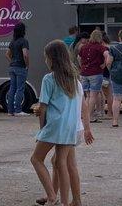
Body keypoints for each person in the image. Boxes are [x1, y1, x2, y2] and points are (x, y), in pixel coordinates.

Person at [31, 40, 94, 206]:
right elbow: (82, 106)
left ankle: (52, 196)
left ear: (52, 59)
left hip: (55, 126)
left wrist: (41, 130)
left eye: (46, 57)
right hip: (71, 127)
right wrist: (87, 127)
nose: (45, 60)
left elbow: (43, 107)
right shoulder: (75, 81)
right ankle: (67, 202)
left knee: (37, 159)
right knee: (62, 164)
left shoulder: (49, 79)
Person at [78, 30, 106, 123]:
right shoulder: (101, 47)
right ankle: (89, 116)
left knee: (87, 96)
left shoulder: (83, 47)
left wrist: (81, 66)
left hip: (84, 73)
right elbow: (107, 55)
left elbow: (79, 58)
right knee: (93, 96)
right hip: (96, 73)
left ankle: (85, 115)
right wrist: (105, 64)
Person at [5, 22, 30, 116]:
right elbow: (25, 55)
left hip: (12, 67)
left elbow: (7, 54)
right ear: (23, 31)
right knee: (20, 89)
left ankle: (10, 111)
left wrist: (12, 61)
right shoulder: (24, 41)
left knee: (12, 88)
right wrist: (27, 65)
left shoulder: (12, 41)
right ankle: (18, 110)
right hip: (20, 67)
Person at [99, 31, 113, 120]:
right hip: (108, 73)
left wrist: (104, 64)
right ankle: (109, 112)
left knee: (105, 94)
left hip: (103, 73)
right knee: (109, 94)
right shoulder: (111, 48)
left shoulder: (104, 49)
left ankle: (107, 113)